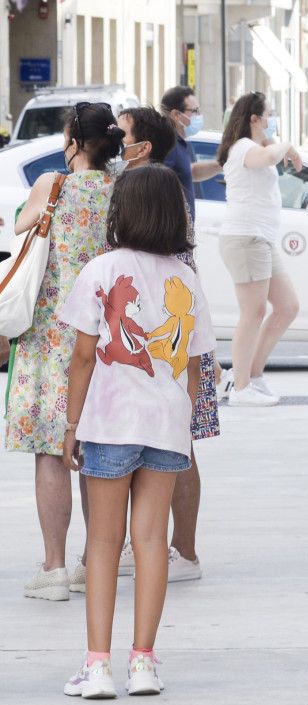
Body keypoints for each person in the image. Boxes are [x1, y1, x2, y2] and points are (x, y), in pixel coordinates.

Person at [59, 164, 215, 699]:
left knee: (103, 543)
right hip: (166, 426)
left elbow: (82, 357)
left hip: (109, 421)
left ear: (119, 212)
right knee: (151, 542)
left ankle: (97, 666)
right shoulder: (186, 277)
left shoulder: (100, 270)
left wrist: (71, 425)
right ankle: (143, 663)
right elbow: (195, 365)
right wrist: (185, 426)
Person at [7, 103, 123, 602]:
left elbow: (20, 229)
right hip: (104, 336)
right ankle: (89, 564)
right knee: (95, 452)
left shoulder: (52, 186)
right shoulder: (123, 191)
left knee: (50, 453)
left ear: (74, 139)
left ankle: (53, 568)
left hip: (50, 338)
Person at [113, 107, 219, 582]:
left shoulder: (155, 189)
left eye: (124, 134)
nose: (117, 141)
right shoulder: (143, 184)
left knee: (181, 442)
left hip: (169, 325)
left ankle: (185, 550)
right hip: (151, 324)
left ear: (144, 145)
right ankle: (155, 544)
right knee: (159, 440)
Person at [215, 92, 301, 408]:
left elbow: (268, 151)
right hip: (246, 237)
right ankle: (240, 388)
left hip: (260, 238)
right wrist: (287, 146)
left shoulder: (256, 144)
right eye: (268, 114)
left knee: (287, 306)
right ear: (254, 118)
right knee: (252, 312)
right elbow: (266, 158)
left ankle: (253, 375)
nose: (271, 118)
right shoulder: (244, 149)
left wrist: (275, 140)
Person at [160, 87, 222, 221]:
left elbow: (190, 171)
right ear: (176, 115)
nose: (199, 116)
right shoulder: (168, 145)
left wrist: (222, 163)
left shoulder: (180, 143)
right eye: (195, 111)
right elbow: (159, 185)